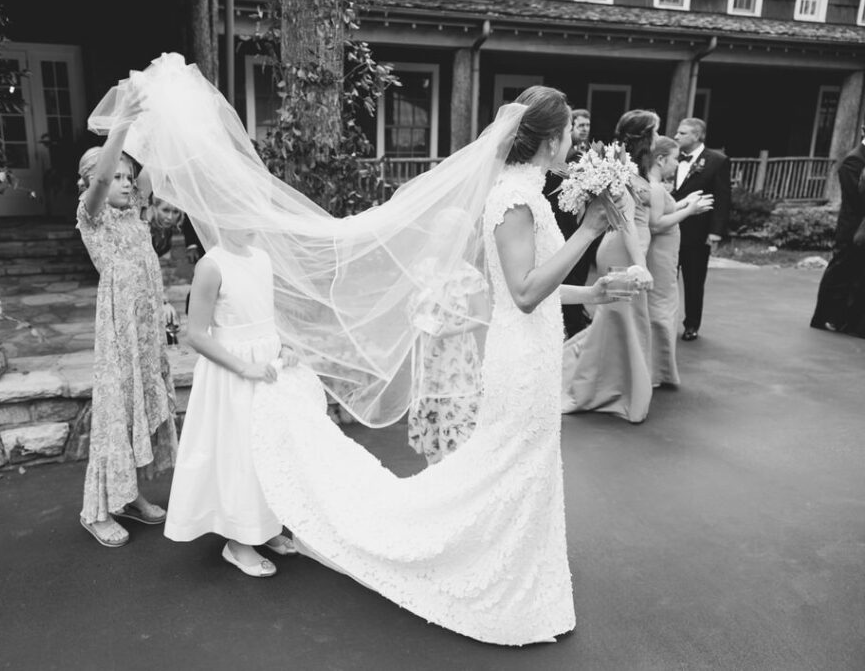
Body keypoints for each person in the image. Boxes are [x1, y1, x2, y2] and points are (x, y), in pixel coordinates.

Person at [93, 57, 632, 644]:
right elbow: (523, 291)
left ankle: (525, 579)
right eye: (569, 136)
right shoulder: (513, 198)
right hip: (520, 355)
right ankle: (480, 572)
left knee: (522, 466)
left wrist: (592, 288)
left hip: (532, 348)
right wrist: (588, 232)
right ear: (551, 139)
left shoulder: (529, 194)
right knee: (506, 466)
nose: (573, 146)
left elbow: (526, 283)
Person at [163, 228, 299, 577]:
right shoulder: (211, 266)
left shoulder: (262, 258)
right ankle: (238, 543)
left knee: (269, 449)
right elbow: (195, 334)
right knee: (239, 453)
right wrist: (244, 367)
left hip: (266, 364)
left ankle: (264, 526)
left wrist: (283, 345)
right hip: (233, 372)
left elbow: (265, 313)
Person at [75, 90, 177, 548]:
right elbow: (99, 181)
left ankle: (130, 493)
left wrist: (151, 123)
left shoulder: (135, 215)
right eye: (114, 176)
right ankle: (95, 511)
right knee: (117, 413)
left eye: (127, 177)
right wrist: (121, 125)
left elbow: (149, 170)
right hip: (118, 330)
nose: (122, 182)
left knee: (139, 408)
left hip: (146, 327)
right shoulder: (92, 216)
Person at [561, 110, 657, 424]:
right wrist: (640, 266)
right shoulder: (621, 170)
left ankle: (618, 382)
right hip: (623, 254)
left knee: (624, 321)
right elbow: (628, 223)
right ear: (645, 136)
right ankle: (596, 387)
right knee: (619, 321)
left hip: (626, 249)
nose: (657, 138)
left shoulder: (632, 167)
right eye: (654, 132)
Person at [646, 137, 714, 386]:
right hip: (659, 255)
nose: (677, 163)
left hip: (666, 253)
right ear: (661, 159)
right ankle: (655, 371)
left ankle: (660, 369)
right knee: (659, 308)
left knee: (665, 306)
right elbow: (655, 224)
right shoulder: (654, 186)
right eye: (675, 158)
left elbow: (664, 211)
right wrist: (689, 210)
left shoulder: (656, 185)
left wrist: (684, 202)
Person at [406, 259, 488, 465]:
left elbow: (483, 316)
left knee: (459, 427)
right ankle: (435, 476)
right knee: (432, 429)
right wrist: (418, 316)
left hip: (458, 361)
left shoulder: (468, 275)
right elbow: (410, 308)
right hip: (429, 361)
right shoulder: (423, 269)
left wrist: (453, 329)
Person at [673, 118, 731, 342]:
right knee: (667, 278)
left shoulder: (717, 161)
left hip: (697, 232)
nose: (676, 136)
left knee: (694, 280)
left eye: (682, 133)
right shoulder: (671, 157)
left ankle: (692, 324)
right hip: (669, 227)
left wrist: (716, 232)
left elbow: (722, 197)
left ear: (697, 136)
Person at [544, 107, 597, 337]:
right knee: (566, 272)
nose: (584, 129)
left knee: (576, 273)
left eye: (587, 125)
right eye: (576, 127)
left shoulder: (586, 155)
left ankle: (575, 318)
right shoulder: (566, 159)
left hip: (576, 223)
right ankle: (574, 326)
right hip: (561, 223)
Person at [811, 129, 865, 338]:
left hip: (860, 226)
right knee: (840, 272)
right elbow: (856, 199)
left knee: (857, 276)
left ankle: (849, 321)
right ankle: (825, 317)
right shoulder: (854, 160)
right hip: (852, 227)